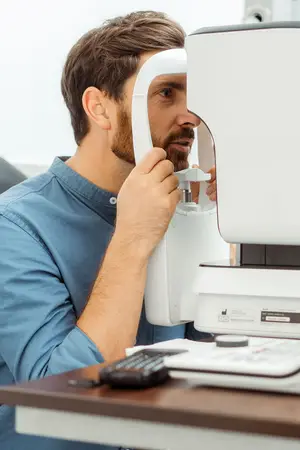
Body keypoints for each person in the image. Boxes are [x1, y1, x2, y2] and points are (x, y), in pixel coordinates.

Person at [0, 10, 216, 450]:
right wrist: (134, 237)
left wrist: (232, 231)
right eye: (167, 93)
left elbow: (220, 363)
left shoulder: (185, 211)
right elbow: (64, 394)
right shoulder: (14, 227)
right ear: (99, 107)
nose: (189, 116)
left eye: (193, 97)